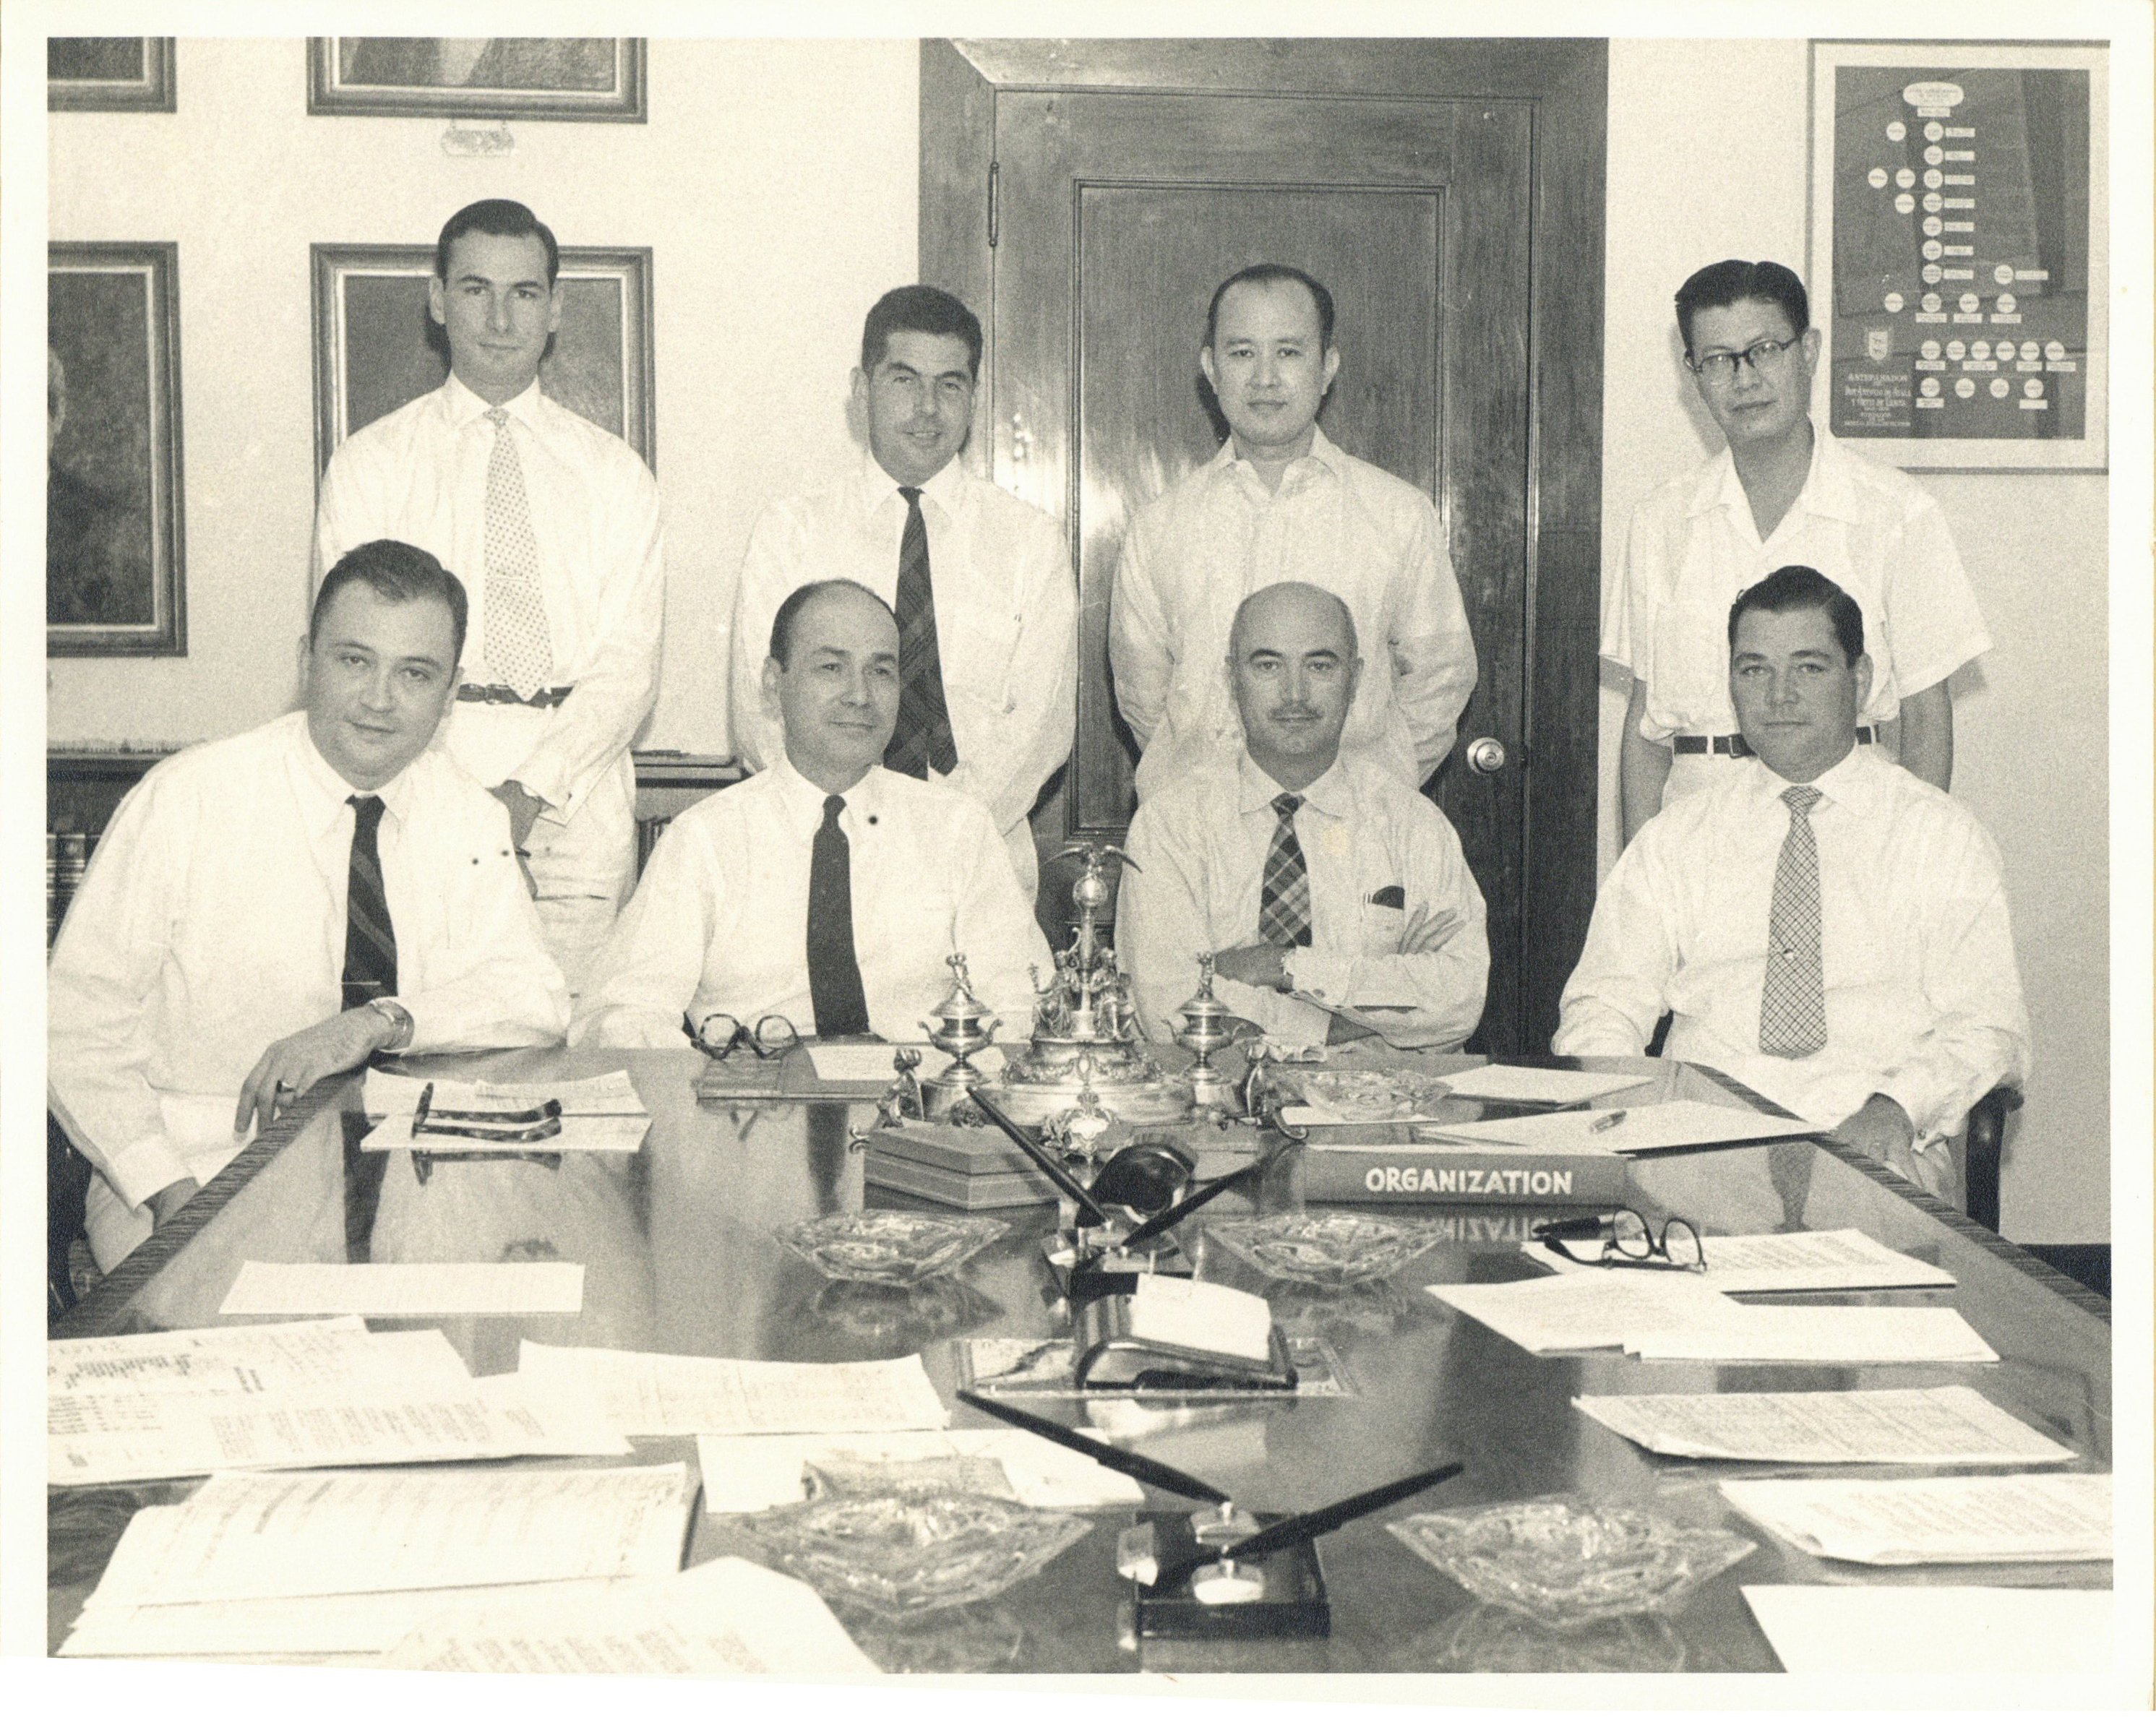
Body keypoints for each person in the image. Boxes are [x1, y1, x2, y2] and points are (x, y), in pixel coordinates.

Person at [48, 541, 570, 1270]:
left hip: (411, 1172)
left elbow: (535, 996)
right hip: (198, 1163)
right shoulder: (187, 800)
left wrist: (377, 1023)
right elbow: (72, 1028)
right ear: (307, 661)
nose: (380, 699)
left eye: (414, 673)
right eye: (354, 661)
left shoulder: (467, 818)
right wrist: (170, 1192)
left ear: (450, 695)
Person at [1555, 565, 2028, 1196]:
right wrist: (1632, 1106)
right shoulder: (1677, 836)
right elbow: (1602, 1005)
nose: (1778, 695)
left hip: (1874, 1142)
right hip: (1697, 1142)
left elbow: (1988, 1026)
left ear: (1857, 680)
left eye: (1808, 667)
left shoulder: (1937, 834)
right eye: (1754, 670)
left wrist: (1895, 1106)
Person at [314, 198, 664, 991]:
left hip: (577, 793)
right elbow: (355, 658)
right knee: (432, 1036)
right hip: (424, 783)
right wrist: (461, 806)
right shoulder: (371, 466)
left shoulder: (615, 476)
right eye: (475, 290)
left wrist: (528, 792)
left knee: (567, 1051)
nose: (500, 318)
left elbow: (629, 667)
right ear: (437, 301)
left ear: (555, 309)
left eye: (525, 293)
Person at [1608, 259, 1990, 845]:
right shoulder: (1661, 521)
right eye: (1717, 360)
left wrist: (1911, 862)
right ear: (1693, 373)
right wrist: (1640, 877)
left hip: (1851, 826)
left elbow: (1926, 717)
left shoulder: (1895, 510)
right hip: (1698, 830)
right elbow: (1643, 730)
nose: (1743, 379)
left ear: (1807, 352)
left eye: (1764, 350)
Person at [574, 580, 1050, 1047]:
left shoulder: (957, 829)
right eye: (831, 667)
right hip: (750, 1106)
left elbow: (1020, 1006)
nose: (860, 695)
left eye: (881, 671)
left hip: (915, 1105)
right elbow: (621, 1014)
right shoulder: (705, 839)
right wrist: (706, 1084)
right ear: (772, 685)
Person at [729, 285, 1075, 897]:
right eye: (903, 380)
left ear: (972, 397)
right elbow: (760, 710)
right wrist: (846, 823)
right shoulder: (792, 529)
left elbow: (1040, 729)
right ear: (861, 391)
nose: (927, 409)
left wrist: (937, 835)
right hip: (818, 855)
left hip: (978, 864)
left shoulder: (1030, 542)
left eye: (950, 385)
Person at [1109, 262, 1477, 801]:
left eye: (1288, 352)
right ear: (1210, 368)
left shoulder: (1397, 516)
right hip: (1196, 833)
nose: (1264, 378)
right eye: (1241, 353)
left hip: (1358, 833)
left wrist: (1361, 795)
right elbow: (1144, 702)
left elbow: (1440, 680)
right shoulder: (1159, 528)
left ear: (1327, 366)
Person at [1120, 581, 1488, 1050]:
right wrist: (1357, 1020)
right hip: (1216, 1101)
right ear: (1232, 679)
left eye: (1319, 665)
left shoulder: (1412, 824)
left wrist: (1284, 965)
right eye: (1268, 665)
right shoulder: (1170, 825)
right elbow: (1169, 1008)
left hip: (1378, 1099)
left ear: (1354, 679)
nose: (1294, 693)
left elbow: (1458, 996)